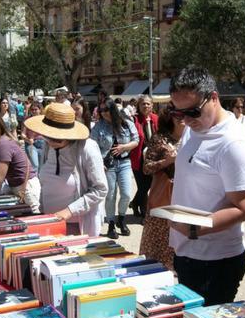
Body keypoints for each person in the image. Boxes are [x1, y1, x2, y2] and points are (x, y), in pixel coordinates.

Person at [167, 66, 245, 306]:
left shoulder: (234, 143)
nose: (185, 120)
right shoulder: (195, 128)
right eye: (178, 113)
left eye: (192, 112)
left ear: (214, 98)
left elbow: (244, 207)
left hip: (215, 262)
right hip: (186, 253)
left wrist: (196, 229)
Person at [24, 103, 108, 236]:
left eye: (56, 139)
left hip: (76, 226)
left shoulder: (87, 148)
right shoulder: (47, 146)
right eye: (47, 136)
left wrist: (69, 211)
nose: (50, 141)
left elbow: (100, 189)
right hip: (49, 222)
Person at [139, 108, 184, 269]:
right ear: (170, 118)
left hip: (186, 194)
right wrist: (167, 162)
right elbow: (146, 168)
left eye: (185, 114)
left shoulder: (191, 137)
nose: (182, 118)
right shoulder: (159, 139)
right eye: (178, 115)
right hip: (164, 196)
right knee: (160, 241)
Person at [91, 99, 139, 239]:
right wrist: (99, 163)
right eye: (101, 110)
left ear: (113, 109)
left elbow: (136, 140)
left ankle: (122, 219)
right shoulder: (98, 127)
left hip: (124, 162)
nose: (104, 113)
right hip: (108, 165)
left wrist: (124, 147)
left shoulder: (126, 123)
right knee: (110, 195)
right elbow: (93, 147)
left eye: (106, 109)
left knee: (126, 194)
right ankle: (111, 223)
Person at [131, 96, 158, 218]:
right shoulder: (133, 120)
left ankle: (135, 203)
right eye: (143, 104)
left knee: (148, 185)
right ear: (139, 106)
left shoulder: (156, 119)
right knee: (142, 186)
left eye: (148, 104)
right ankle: (143, 214)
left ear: (152, 105)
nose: (145, 106)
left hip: (153, 158)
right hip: (138, 158)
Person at [23, 102, 47, 172]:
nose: (34, 111)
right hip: (31, 144)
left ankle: (40, 182)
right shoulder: (27, 120)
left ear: (40, 110)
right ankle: (34, 181)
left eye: (36, 109)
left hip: (42, 143)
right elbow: (23, 134)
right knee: (35, 165)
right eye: (32, 109)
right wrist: (28, 140)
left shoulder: (44, 120)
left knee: (42, 166)